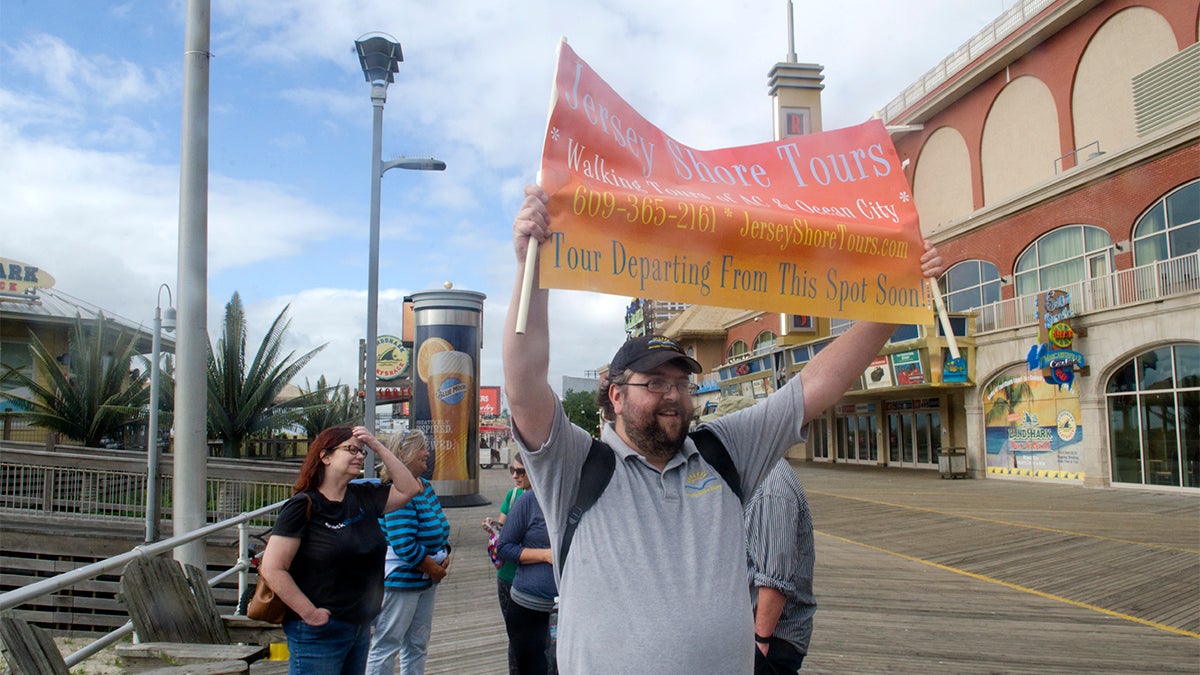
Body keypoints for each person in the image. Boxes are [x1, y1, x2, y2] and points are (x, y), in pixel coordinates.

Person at [501, 184, 943, 673]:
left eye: (680, 382)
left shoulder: (722, 451)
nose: (672, 394)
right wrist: (531, 267)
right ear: (617, 395)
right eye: (654, 383)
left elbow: (815, 384)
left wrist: (894, 304)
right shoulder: (574, 464)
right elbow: (524, 383)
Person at [259, 425, 422, 675]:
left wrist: (377, 446)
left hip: (359, 626)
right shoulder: (303, 506)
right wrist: (310, 613)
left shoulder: (364, 496)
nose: (359, 456)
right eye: (351, 450)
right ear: (325, 457)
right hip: (319, 630)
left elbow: (409, 488)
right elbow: (273, 567)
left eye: (362, 452)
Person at [365, 430, 451, 675]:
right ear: (403, 454)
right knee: (387, 644)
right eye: (422, 448)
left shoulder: (425, 486)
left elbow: (441, 528)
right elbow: (403, 544)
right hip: (402, 582)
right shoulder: (396, 492)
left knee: (417, 644)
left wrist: (445, 552)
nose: (427, 453)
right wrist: (433, 568)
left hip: (426, 581)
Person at [495, 488, 557, 674]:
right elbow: (504, 548)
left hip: (573, 609)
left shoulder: (586, 498)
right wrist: (545, 555)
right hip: (530, 606)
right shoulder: (529, 501)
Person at [481, 456, 532, 673]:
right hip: (508, 574)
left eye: (520, 471)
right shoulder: (512, 495)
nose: (515, 475)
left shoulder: (545, 498)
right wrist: (493, 526)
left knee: (540, 637)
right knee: (515, 635)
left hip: (533, 577)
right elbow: (503, 530)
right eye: (513, 470)